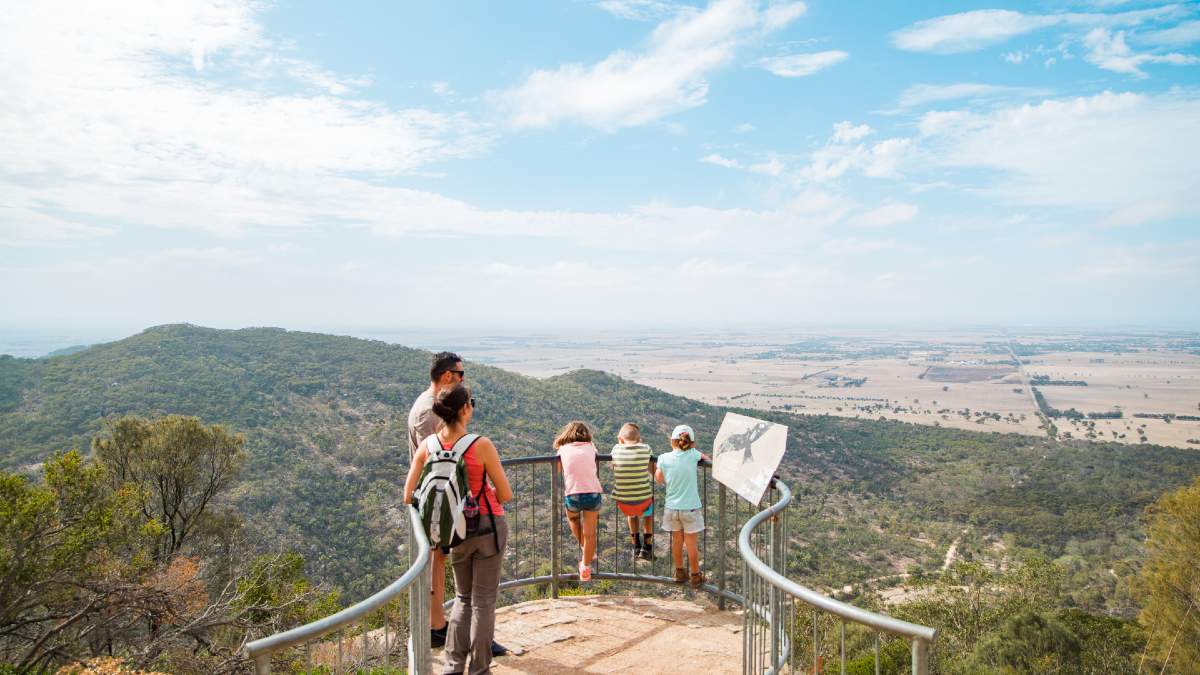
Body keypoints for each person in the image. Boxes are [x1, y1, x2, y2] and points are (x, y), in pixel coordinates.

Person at [405, 384, 512, 675]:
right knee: (484, 601)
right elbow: (505, 494)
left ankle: (452, 667)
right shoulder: (481, 444)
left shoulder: (428, 446)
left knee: (463, 599)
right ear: (465, 408)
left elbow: (408, 494)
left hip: (455, 531)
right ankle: (479, 669)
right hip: (488, 526)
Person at [655, 424, 709, 588]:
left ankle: (679, 572)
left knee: (677, 542)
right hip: (690, 508)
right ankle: (695, 575)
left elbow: (658, 478)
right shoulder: (693, 455)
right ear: (691, 443)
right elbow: (706, 458)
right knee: (691, 544)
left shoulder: (663, 458)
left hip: (671, 508)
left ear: (672, 441)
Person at [553, 421, 603, 582]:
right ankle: (586, 567)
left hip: (573, 493)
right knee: (590, 534)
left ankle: (583, 545)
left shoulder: (562, 449)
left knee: (573, 518)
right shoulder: (591, 446)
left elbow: (558, 469)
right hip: (593, 492)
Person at [611, 423, 655, 562]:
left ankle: (636, 545)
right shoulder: (646, 448)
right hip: (644, 501)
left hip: (623, 502)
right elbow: (652, 471)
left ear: (621, 439)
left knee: (632, 513)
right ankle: (647, 547)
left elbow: (614, 468)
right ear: (639, 438)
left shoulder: (616, 449)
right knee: (648, 513)